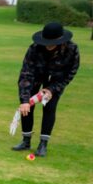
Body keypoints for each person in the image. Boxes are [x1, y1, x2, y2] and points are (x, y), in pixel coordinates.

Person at [11, 22, 80, 157]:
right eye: (46, 42)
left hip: (56, 79)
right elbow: (26, 74)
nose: (48, 45)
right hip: (36, 75)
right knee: (27, 107)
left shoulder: (71, 49)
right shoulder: (34, 48)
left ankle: (43, 144)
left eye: (51, 43)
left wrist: (52, 89)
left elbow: (70, 72)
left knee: (49, 106)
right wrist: (25, 100)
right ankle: (26, 141)